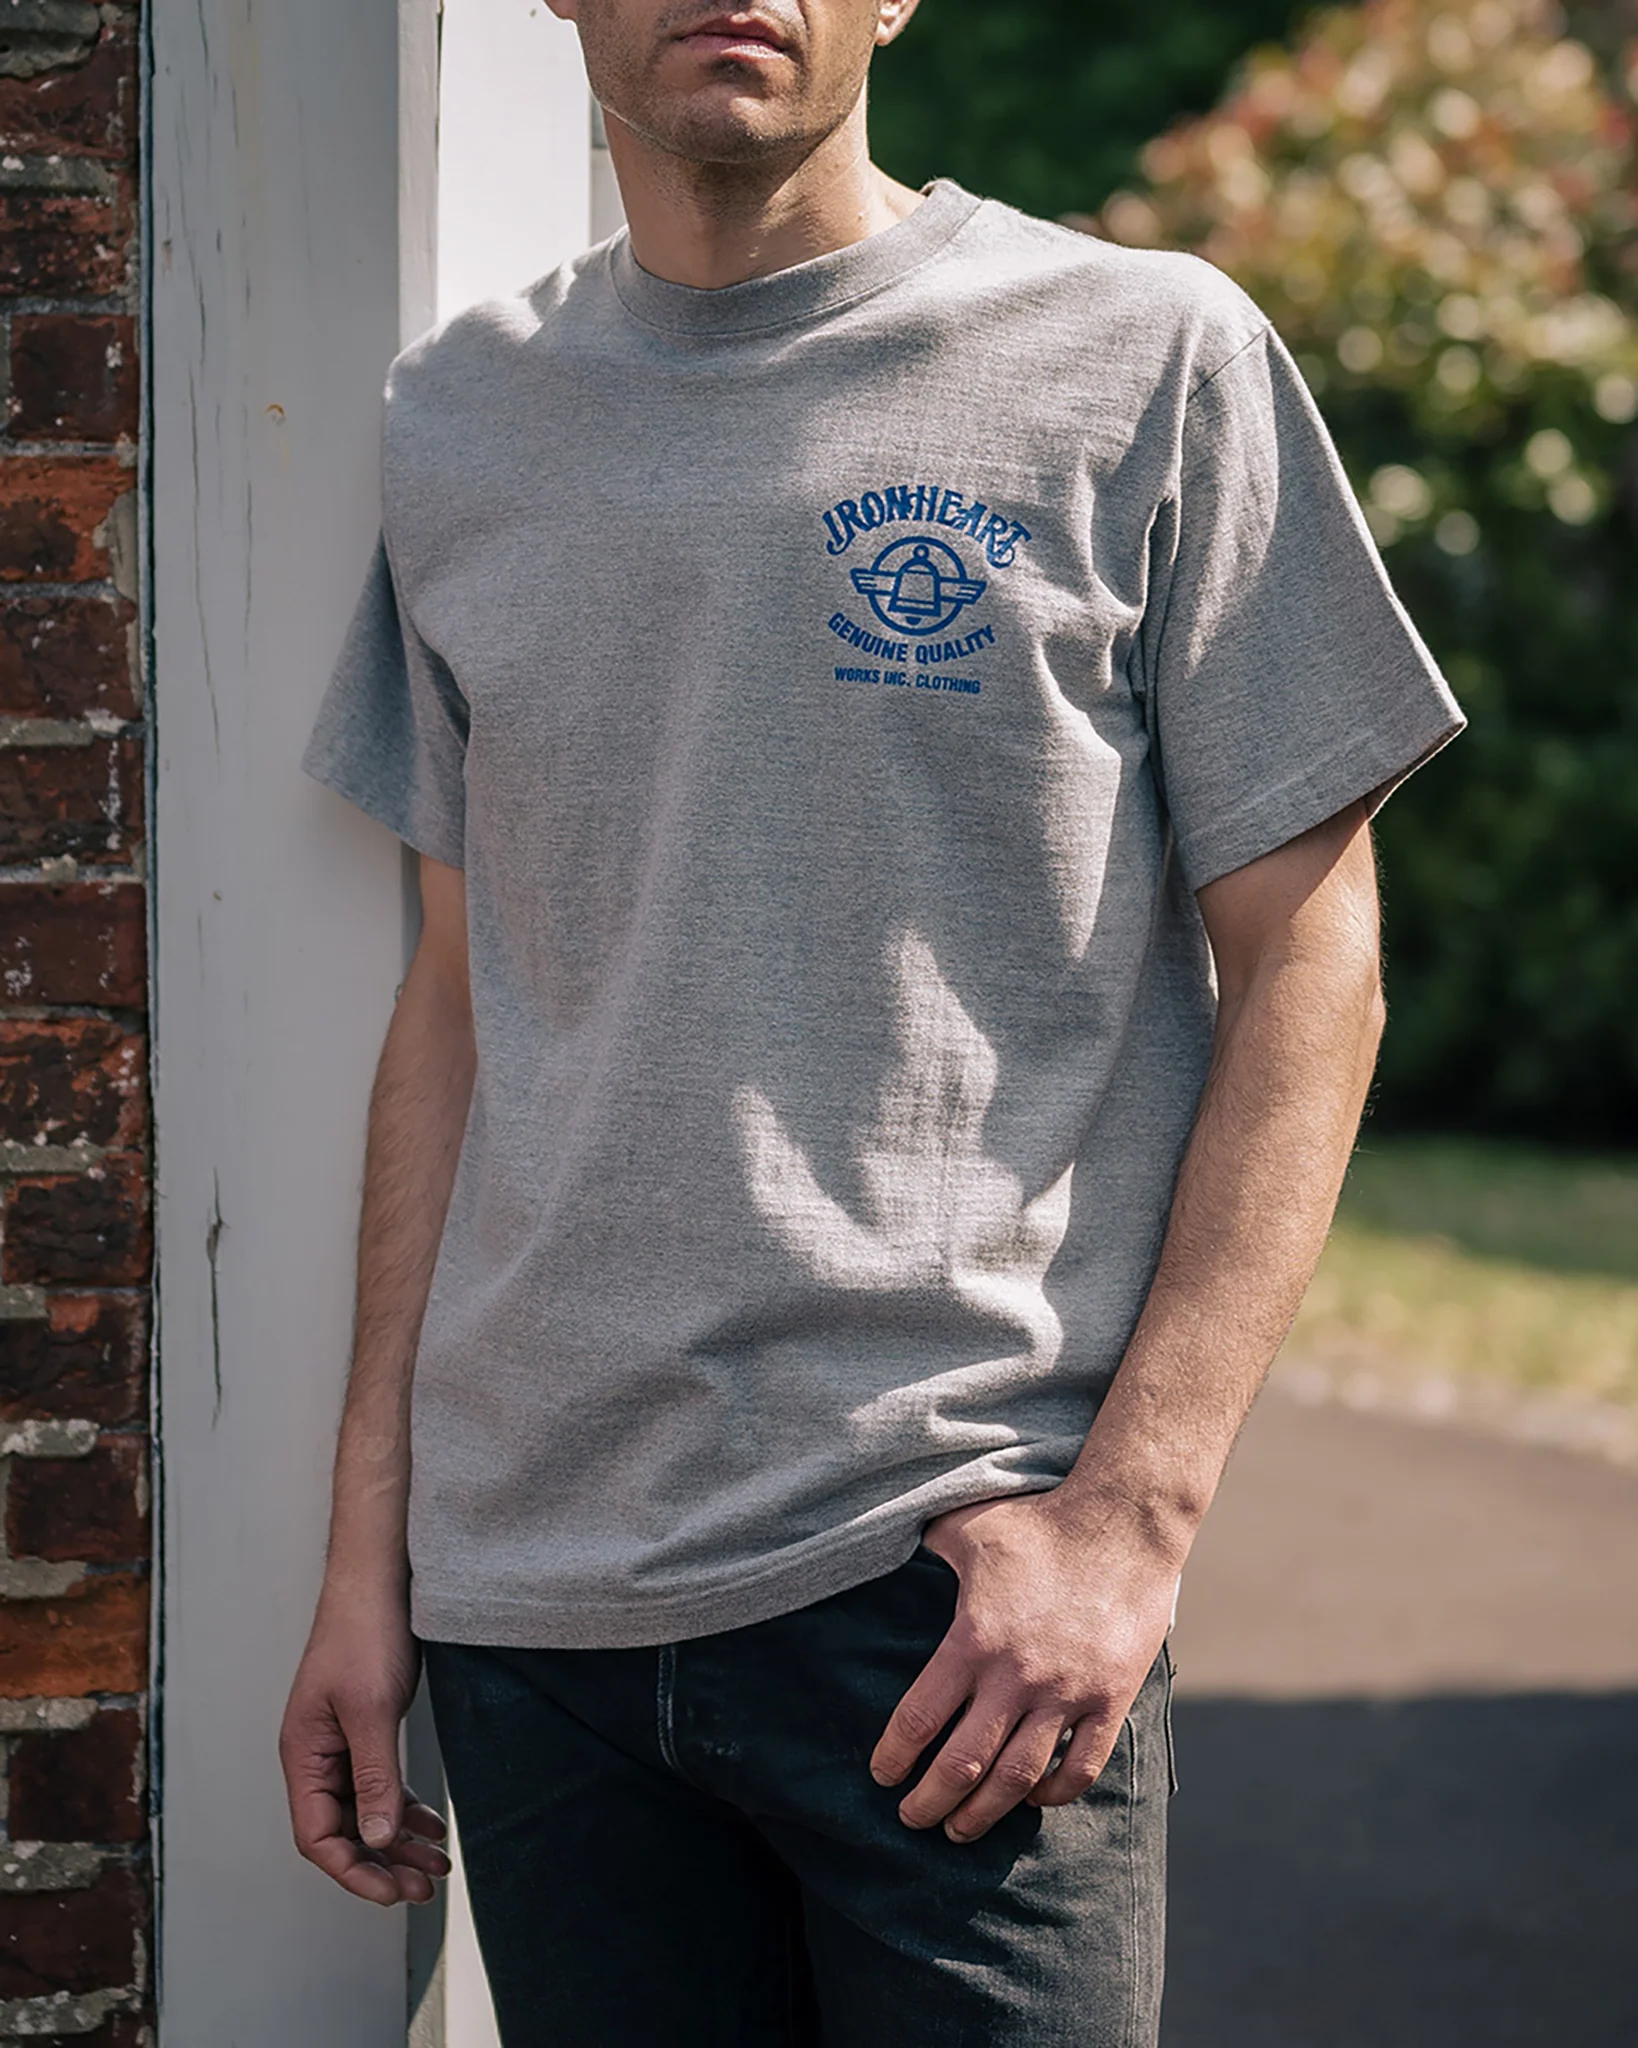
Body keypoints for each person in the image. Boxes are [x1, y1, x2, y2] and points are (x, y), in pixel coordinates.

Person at [279, 1, 1465, 2040]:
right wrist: (365, 1557)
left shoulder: (1143, 357)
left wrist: (1130, 1524)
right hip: (538, 1619)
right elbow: (460, 1003)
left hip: (951, 1603)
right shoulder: (458, 416)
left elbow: (1313, 961)